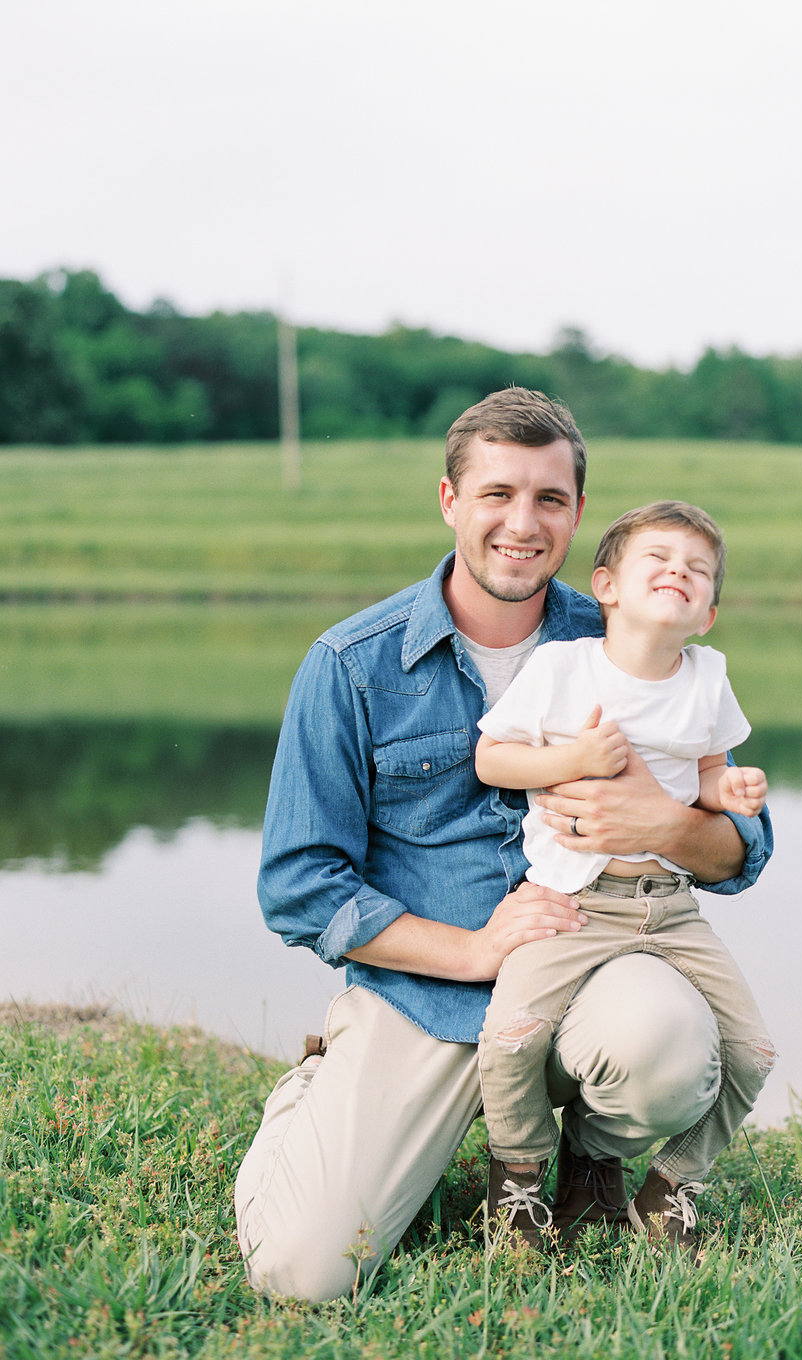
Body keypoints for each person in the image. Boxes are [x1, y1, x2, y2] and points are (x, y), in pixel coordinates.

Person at [234, 389, 772, 1303]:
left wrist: (669, 827)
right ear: (449, 500)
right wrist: (476, 949)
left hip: (591, 959)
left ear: (578, 519)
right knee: (304, 1274)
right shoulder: (351, 666)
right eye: (496, 494)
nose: (522, 524)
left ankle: (591, 1163)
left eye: (549, 500)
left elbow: (742, 851)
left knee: (673, 1047)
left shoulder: (627, 637)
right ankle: (324, 1086)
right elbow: (299, 885)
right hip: (429, 997)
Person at [474, 500, 774, 1249]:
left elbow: (704, 775)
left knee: (753, 1053)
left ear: (707, 613)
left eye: (698, 571)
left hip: (669, 906)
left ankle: (672, 1185)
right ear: (605, 585)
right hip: (573, 901)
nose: (679, 572)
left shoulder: (708, 678)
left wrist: (726, 794)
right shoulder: (563, 667)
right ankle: (517, 1181)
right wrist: (572, 760)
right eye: (660, 560)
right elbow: (493, 758)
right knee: (511, 1038)